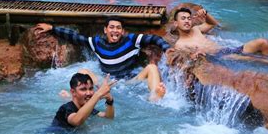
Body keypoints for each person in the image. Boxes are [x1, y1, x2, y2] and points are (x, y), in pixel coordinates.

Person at [35, 17, 172, 100]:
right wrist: (52, 28)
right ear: (105, 30)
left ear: (122, 31)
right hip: (107, 82)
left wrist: (167, 48)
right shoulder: (97, 43)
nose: (115, 31)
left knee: (152, 67)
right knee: (83, 71)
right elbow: (76, 37)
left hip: (129, 82)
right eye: (111, 27)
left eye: (118, 28)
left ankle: (154, 96)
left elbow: (154, 38)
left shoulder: (132, 40)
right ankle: (76, 96)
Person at [173, 7, 268, 69]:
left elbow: (213, 24)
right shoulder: (180, 44)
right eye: (183, 19)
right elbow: (185, 62)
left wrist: (206, 14)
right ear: (175, 23)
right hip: (219, 58)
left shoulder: (196, 29)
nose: (187, 21)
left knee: (263, 42)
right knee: (252, 58)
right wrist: (194, 56)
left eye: (189, 18)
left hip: (227, 49)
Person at [51, 72, 115, 129]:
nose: (88, 93)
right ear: (73, 92)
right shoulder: (65, 108)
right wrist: (98, 94)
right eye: (83, 89)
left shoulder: (87, 108)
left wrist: (110, 101)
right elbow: (77, 121)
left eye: (91, 88)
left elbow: (108, 117)